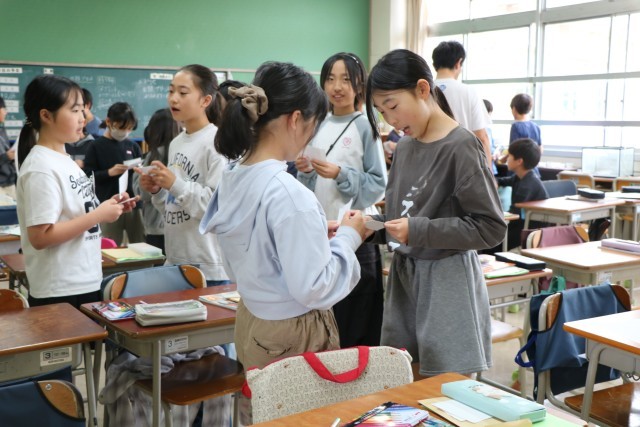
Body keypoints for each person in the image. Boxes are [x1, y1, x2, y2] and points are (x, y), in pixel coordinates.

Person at [199, 61, 366, 370]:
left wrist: (313, 233)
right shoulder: (289, 194)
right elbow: (314, 287)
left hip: (252, 320)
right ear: (296, 119)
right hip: (292, 332)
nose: (310, 138)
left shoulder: (234, 175)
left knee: (262, 400)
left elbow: (254, 251)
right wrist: (349, 236)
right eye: (313, 126)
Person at [364, 49, 506, 378]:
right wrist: (366, 226)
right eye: (382, 111)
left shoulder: (461, 145)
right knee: (403, 385)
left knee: (445, 390)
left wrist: (418, 230)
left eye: (393, 106)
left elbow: (490, 227)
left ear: (422, 89)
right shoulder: (405, 147)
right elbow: (401, 221)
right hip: (405, 282)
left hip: (447, 284)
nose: (390, 121)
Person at [16, 75, 133, 308]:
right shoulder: (41, 167)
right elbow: (40, 237)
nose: (83, 118)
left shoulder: (64, 159)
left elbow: (74, 214)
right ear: (46, 115)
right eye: (75, 110)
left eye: (83, 110)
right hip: (60, 288)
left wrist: (108, 206)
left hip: (84, 280)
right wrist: (98, 215)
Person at [296, 52, 386, 348]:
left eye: (346, 79)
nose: (337, 87)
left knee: (355, 323)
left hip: (356, 236)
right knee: (324, 321)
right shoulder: (317, 124)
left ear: (359, 85)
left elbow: (378, 185)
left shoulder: (365, 125)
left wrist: (340, 173)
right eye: (331, 79)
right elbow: (308, 189)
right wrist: (306, 172)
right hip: (320, 234)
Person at [136, 64, 230, 287]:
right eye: (171, 91)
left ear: (205, 100)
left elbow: (216, 208)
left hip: (208, 267)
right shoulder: (177, 142)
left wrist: (175, 184)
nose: (173, 98)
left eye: (183, 92)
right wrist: (158, 190)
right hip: (176, 260)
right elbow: (172, 208)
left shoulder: (217, 142)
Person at [84, 102, 144, 246]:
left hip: (133, 204)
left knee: (140, 245)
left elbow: (140, 174)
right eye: (122, 128)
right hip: (107, 204)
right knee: (109, 247)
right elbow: (87, 177)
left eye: (129, 128)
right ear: (109, 122)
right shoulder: (95, 146)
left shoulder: (133, 146)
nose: (125, 132)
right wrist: (109, 173)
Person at [432, 41, 492, 168]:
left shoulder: (423, 91)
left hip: (430, 164)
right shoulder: (469, 91)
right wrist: (489, 171)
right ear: (458, 62)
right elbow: (482, 137)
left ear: (434, 64)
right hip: (463, 164)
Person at [132, 108, 179, 253]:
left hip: (156, 226)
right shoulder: (182, 154)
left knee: (158, 264)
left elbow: (142, 194)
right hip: (179, 223)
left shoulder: (153, 157)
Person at [495, 138, 548, 250]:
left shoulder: (527, 184)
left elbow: (514, 214)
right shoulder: (521, 177)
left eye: (509, 156)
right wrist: (496, 182)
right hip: (521, 226)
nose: (507, 159)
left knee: (491, 243)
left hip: (530, 232)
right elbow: (503, 180)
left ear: (519, 161)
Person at [0, 96, 17, 199]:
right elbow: (4, 156)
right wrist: (6, 156)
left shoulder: (2, 130)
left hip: (10, 181)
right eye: (4, 109)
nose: (6, 112)